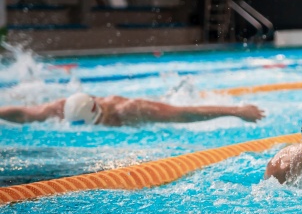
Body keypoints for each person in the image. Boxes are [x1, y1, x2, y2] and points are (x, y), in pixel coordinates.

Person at [0, 92, 265, 126]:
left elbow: (183, 113)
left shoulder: (130, 109)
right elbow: (24, 114)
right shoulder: (60, 107)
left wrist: (236, 110)